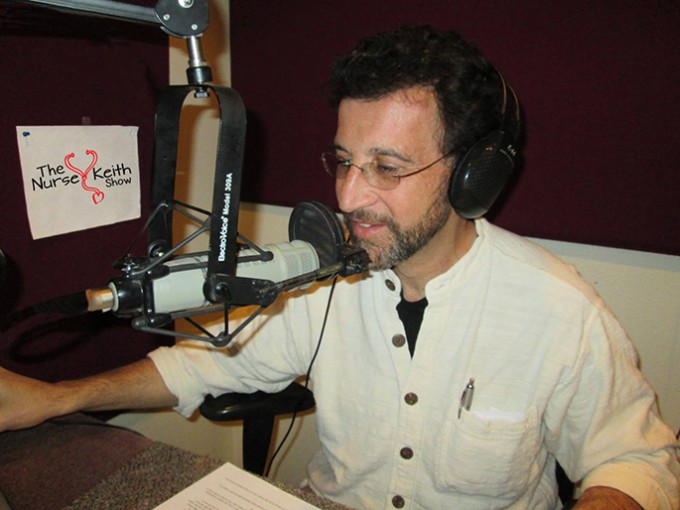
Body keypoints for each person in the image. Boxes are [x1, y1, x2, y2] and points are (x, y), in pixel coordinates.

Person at [1, 25, 679, 510]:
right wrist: (57, 399)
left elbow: (635, 458)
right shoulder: (322, 279)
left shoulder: (558, 310)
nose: (349, 197)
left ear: (476, 176)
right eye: (345, 161)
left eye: (387, 167)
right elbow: (205, 364)